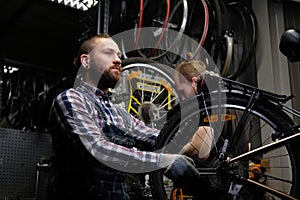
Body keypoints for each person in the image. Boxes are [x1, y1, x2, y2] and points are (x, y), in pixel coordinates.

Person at [47, 33, 200, 200]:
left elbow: (158, 138)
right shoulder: (71, 100)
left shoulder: (119, 114)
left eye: (119, 56)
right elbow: (98, 150)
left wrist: (193, 141)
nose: (118, 60)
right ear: (86, 61)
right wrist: (164, 161)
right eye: (108, 53)